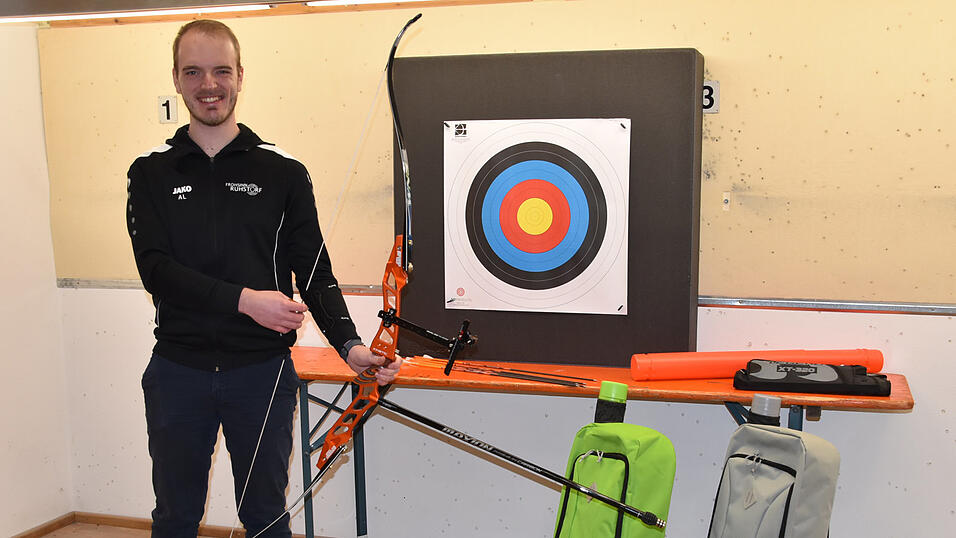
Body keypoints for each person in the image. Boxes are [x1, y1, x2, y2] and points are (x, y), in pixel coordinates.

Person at [126, 19, 401, 537]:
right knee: (175, 517)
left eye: (221, 71)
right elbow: (156, 271)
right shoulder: (150, 171)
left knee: (264, 517)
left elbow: (315, 269)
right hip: (177, 372)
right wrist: (246, 300)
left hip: (261, 374)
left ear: (239, 76)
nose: (209, 84)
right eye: (194, 72)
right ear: (177, 79)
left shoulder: (283, 171)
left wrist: (350, 346)